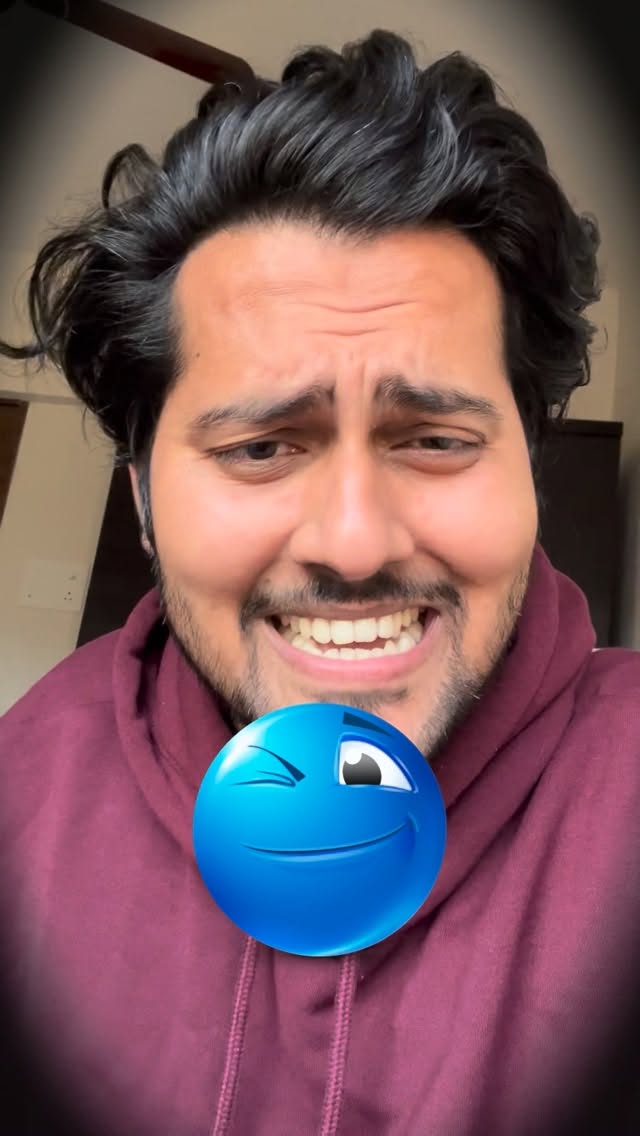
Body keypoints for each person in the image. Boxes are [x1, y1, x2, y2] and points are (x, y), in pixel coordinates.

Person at [1, 27, 639, 1136]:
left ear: (526, 475)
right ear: (143, 499)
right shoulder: (22, 791)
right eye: (261, 446)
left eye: (434, 439)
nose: (352, 543)